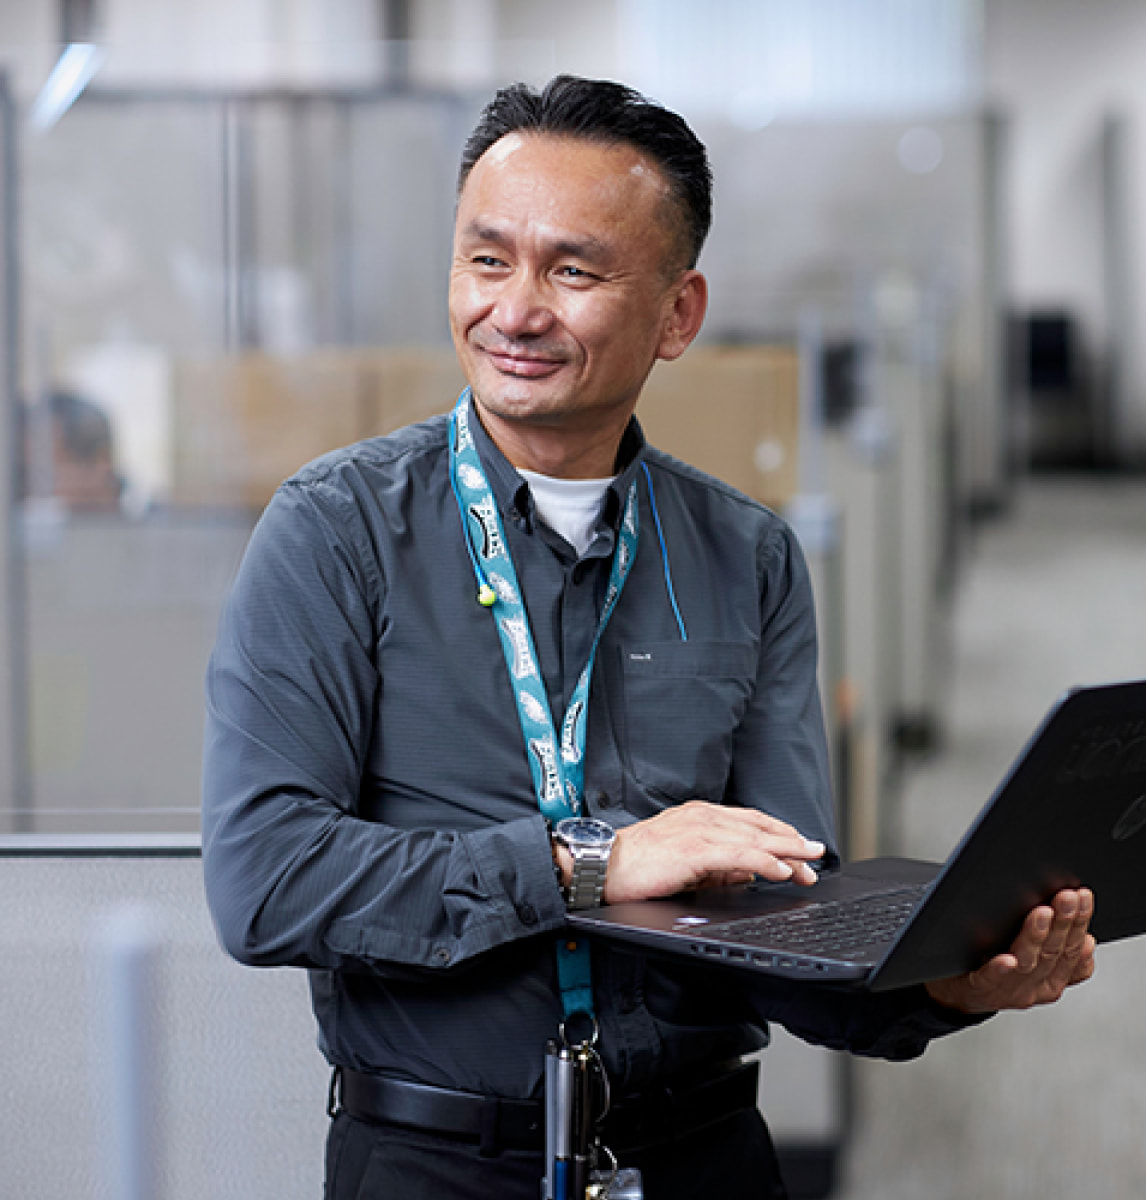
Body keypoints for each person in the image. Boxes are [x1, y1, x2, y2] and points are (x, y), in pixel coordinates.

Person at [202, 75, 1095, 1200]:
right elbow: (265, 878)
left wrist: (952, 983)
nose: (516, 310)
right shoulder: (336, 532)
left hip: (700, 1154)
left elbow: (782, 911)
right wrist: (591, 861)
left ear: (679, 314)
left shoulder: (747, 555)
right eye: (488, 261)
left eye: (572, 270)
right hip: (438, 1162)